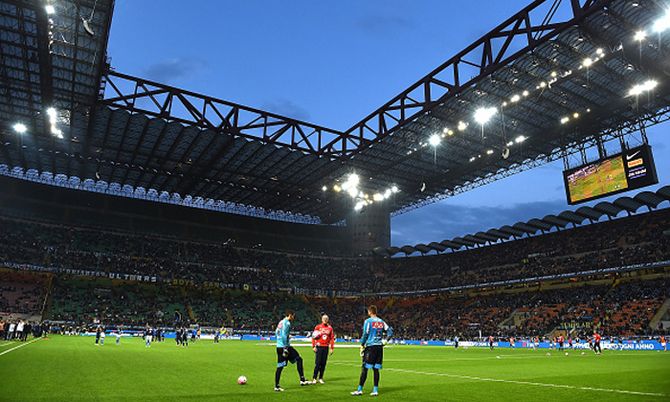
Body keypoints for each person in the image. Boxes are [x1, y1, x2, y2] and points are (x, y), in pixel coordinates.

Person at [351, 305, 393, 397]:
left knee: (364, 368)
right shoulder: (381, 321)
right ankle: (375, 390)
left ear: (369, 312)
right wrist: (385, 341)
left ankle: (359, 390)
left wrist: (362, 344)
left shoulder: (368, 321)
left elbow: (365, 334)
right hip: (379, 348)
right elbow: (390, 332)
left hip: (370, 347)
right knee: (376, 369)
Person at [274, 310, 309, 392]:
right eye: (293, 316)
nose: (293, 318)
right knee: (299, 359)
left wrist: (286, 337)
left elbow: (276, 333)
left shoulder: (281, 322)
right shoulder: (287, 323)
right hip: (285, 347)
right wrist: (285, 347)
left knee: (280, 366)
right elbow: (283, 335)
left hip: (279, 347)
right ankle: (302, 380)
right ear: (290, 315)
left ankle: (277, 386)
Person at [311, 314, 335, 384]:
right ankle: (314, 378)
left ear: (328, 320)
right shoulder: (318, 327)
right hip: (319, 347)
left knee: (323, 364)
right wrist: (313, 346)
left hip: (326, 347)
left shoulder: (330, 328)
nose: (325, 320)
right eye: (324, 319)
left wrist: (332, 348)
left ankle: (320, 378)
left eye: (326, 319)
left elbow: (332, 338)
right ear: (322, 319)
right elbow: (313, 337)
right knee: (317, 363)